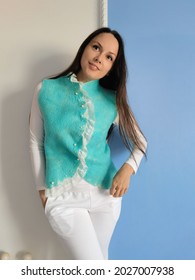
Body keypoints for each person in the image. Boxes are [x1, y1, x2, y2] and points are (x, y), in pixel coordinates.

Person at [29, 27, 147, 260]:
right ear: (85, 47)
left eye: (109, 57)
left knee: (100, 263)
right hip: (62, 198)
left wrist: (128, 169)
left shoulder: (111, 101)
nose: (98, 58)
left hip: (106, 195)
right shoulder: (46, 89)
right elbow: (35, 142)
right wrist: (41, 190)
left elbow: (141, 142)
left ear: (112, 67)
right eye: (96, 48)